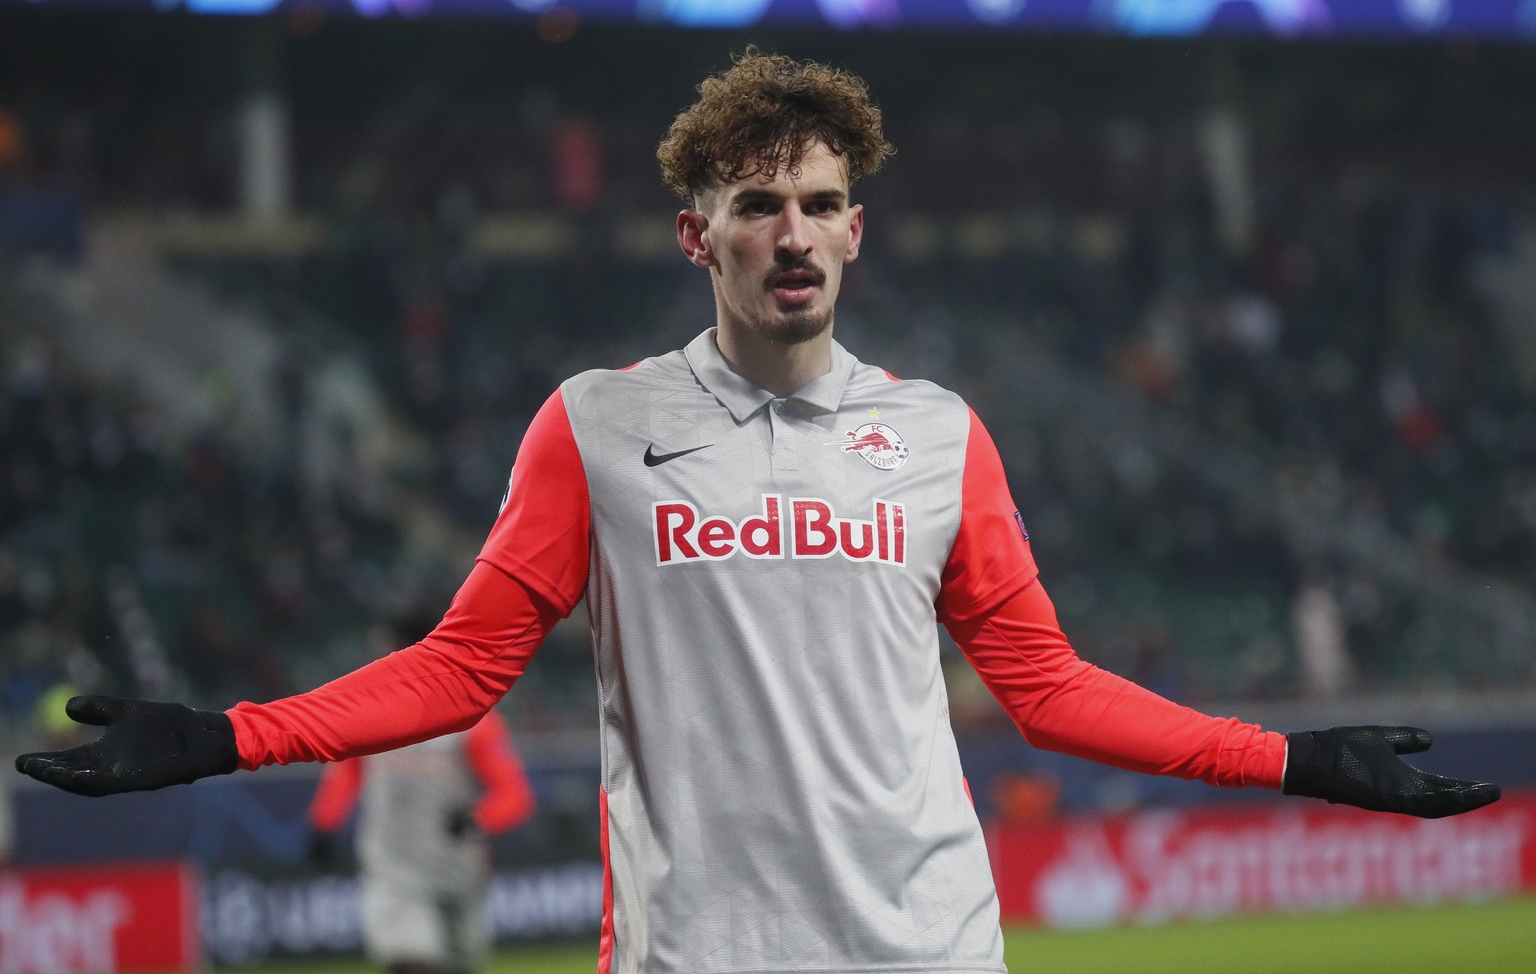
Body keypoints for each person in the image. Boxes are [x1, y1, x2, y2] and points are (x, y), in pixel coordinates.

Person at [15, 49, 1500, 973]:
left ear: (858, 228)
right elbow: (461, 669)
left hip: (928, 949)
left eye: (818, 203)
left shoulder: (938, 436)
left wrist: (1295, 757)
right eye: (757, 206)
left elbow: (1043, 693)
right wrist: (225, 738)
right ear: (697, 234)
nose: (791, 233)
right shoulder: (597, 424)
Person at [306, 614, 536, 974]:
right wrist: (324, 825)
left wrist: (476, 818)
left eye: (387, 647)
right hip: (393, 865)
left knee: (458, 964)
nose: (378, 657)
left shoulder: (470, 717)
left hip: (455, 868)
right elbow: (345, 774)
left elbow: (514, 795)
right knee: (409, 959)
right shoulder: (369, 714)